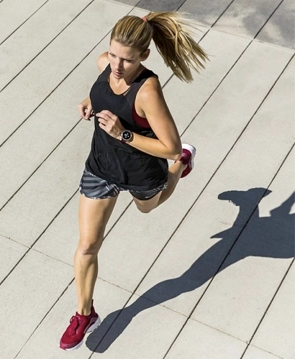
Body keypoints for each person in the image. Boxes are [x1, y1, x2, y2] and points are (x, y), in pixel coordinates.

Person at [59, 11, 209, 351]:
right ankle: (85, 313)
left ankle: (182, 166)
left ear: (144, 56)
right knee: (86, 246)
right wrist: (89, 102)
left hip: (142, 170)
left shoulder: (147, 90)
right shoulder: (105, 64)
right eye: (113, 54)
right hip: (101, 167)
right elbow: (102, 91)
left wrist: (123, 133)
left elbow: (168, 144)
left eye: (126, 60)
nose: (116, 65)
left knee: (148, 207)